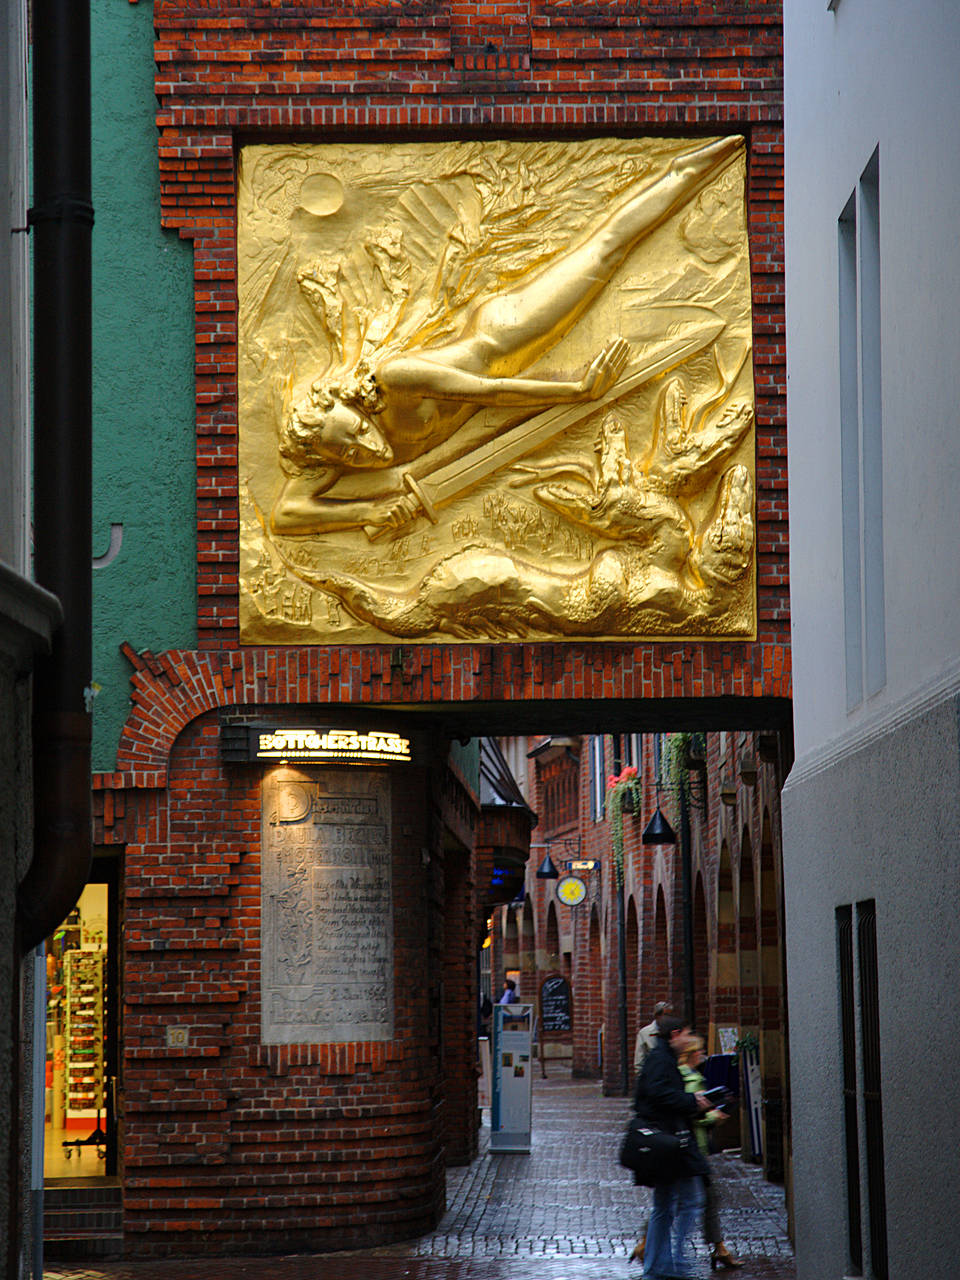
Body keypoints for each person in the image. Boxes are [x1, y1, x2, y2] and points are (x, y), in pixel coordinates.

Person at [271, 135, 743, 534]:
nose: (366, 447)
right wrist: (366, 512)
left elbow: (490, 389)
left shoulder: (395, 378)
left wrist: (577, 390)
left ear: (357, 407)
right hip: (501, 404)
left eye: (357, 431)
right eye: (349, 453)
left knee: (605, 250)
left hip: (505, 340)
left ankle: (692, 167)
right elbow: (286, 516)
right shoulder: (327, 452)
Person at [632, 1016, 710, 1280]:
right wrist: (691, 1101)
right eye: (687, 1033)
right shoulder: (662, 1060)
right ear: (676, 1034)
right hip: (669, 1143)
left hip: (668, 1142)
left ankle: (659, 1265)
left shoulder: (662, 1058)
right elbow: (657, 1094)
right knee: (690, 1200)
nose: (689, 1039)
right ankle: (672, 1261)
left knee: (665, 1205)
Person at [679, 1037, 744, 1272]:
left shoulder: (684, 1075)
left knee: (688, 1198)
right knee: (700, 1198)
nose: (703, 1054)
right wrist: (713, 1117)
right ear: (691, 1053)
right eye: (700, 1051)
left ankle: (720, 1248)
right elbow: (691, 1112)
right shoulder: (691, 1078)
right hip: (693, 1147)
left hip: (690, 1148)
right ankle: (719, 1249)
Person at [634, 1000, 672, 1075]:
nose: (669, 1019)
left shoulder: (673, 1031)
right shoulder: (645, 1033)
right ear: (657, 1016)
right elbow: (639, 1061)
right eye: (666, 1015)